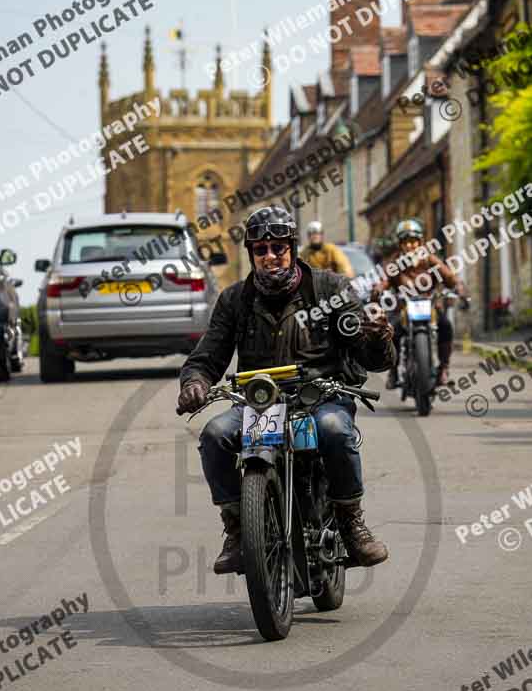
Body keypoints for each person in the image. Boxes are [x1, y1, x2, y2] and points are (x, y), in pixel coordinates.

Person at [177, 205, 395, 575]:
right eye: (260, 249)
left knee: (334, 430)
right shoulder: (235, 300)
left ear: (292, 248)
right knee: (214, 435)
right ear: (251, 255)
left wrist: (376, 340)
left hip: (321, 396)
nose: (270, 256)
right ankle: (236, 529)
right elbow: (207, 356)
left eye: (278, 247)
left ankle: (350, 524)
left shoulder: (330, 289)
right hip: (260, 402)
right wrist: (195, 383)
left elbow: (373, 358)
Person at [378, 218, 457, 389]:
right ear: (400, 244)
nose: (410, 246)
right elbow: (384, 280)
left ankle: (443, 369)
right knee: (392, 332)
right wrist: (378, 288)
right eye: (406, 242)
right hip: (404, 307)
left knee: (445, 326)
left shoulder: (429, 259)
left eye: (413, 241)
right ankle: (393, 372)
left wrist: (455, 284)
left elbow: (448, 275)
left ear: (420, 242)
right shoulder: (394, 263)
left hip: (430, 305)